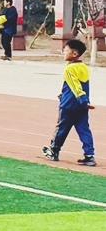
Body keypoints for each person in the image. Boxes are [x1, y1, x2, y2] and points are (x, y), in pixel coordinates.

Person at [42, 39, 96, 167]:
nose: (63, 53)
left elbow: (75, 86)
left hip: (69, 105)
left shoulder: (69, 69)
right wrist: (84, 102)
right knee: (84, 130)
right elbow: (82, 86)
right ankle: (89, 155)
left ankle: (54, 150)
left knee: (62, 128)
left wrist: (80, 99)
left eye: (66, 50)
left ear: (74, 54)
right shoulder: (84, 67)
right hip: (82, 106)